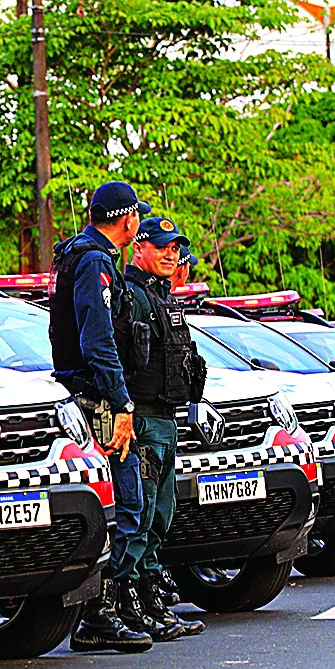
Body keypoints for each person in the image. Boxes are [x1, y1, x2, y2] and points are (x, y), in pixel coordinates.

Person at [49, 180, 153, 654]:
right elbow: (98, 342)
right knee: (125, 505)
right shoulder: (94, 261)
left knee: (120, 506)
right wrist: (122, 404)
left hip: (89, 395)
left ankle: (107, 608)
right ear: (128, 220)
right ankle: (97, 614)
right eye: (138, 218)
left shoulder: (82, 254)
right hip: (98, 399)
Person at [121, 216, 208, 641]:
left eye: (176, 249)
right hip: (142, 418)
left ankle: (152, 600)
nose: (171, 255)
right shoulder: (132, 296)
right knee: (141, 515)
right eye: (162, 247)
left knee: (161, 515)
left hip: (166, 418)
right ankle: (131, 604)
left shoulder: (161, 295)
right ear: (139, 247)